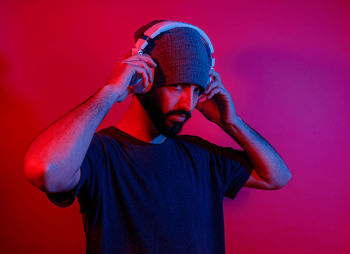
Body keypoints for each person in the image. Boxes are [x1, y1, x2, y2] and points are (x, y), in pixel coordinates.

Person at [24, 20, 291, 254]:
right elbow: (46, 170)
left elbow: (276, 177)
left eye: (197, 90)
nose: (189, 104)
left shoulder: (203, 157)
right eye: (177, 86)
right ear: (143, 81)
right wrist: (110, 93)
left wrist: (230, 123)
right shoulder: (100, 153)